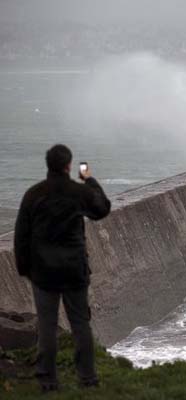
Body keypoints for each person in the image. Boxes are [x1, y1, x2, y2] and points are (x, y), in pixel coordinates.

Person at [13, 144, 111, 392]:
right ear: (69, 166)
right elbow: (102, 209)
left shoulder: (33, 194)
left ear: (48, 165)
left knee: (46, 325)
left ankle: (47, 381)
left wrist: (25, 269)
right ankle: (87, 379)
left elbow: (21, 236)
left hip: (44, 273)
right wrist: (89, 180)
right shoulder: (77, 192)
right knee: (80, 324)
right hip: (74, 270)